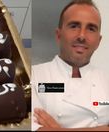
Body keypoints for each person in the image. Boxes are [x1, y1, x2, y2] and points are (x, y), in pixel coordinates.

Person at [32, 0, 109, 131]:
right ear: (58, 35)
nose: (82, 36)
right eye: (74, 26)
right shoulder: (34, 75)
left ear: (98, 41)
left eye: (91, 28)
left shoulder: (106, 80)